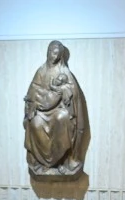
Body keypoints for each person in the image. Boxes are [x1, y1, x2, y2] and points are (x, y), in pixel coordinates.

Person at [23, 40, 89, 177]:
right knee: (35, 123)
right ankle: (41, 163)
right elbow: (32, 90)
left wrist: (64, 89)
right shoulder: (41, 71)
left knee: (63, 118)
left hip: (58, 109)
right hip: (42, 110)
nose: (52, 56)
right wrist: (38, 99)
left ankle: (62, 161)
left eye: (56, 54)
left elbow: (73, 93)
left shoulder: (64, 71)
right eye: (50, 52)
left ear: (60, 56)